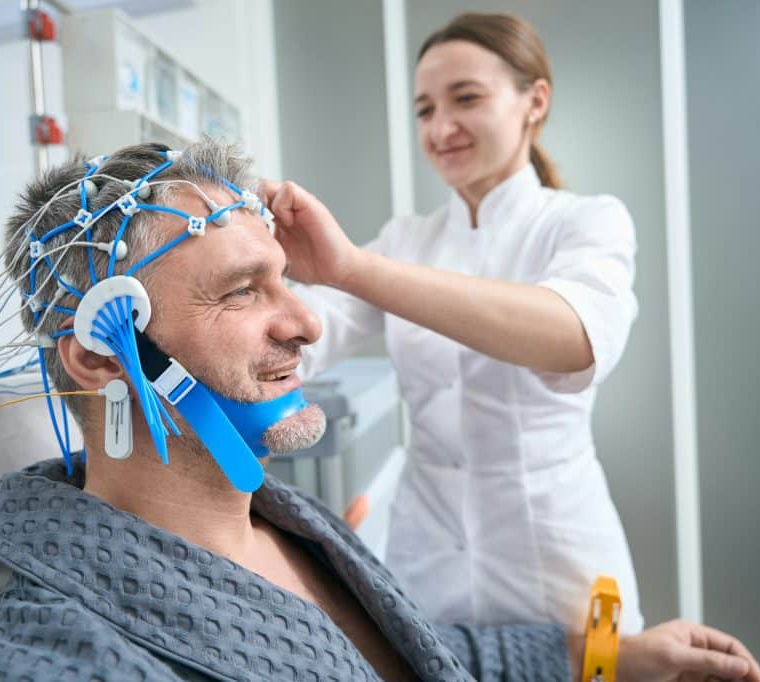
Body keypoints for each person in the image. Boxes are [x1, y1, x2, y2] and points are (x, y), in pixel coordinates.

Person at [0, 142, 760, 682]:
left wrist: (617, 657)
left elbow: (426, 655)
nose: (309, 321)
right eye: (245, 289)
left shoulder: (293, 525)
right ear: (102, 352)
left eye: (286, 281)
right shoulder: (58, 652)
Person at [267, 12, 644, 633]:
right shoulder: (406, 239)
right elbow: (312, 333)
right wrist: (233, 277)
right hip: (428, 552)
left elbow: (574, 336)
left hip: (556, 551)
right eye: (423, 110)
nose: (441, 128)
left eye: (466, 98)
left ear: (534, 101)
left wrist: (354, 267)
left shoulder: (584, 222)